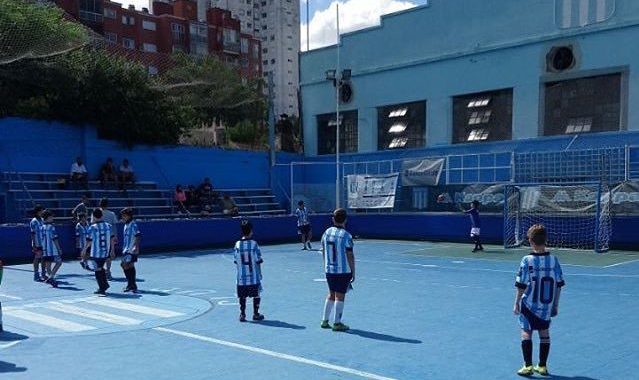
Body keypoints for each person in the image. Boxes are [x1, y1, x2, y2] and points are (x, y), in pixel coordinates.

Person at [513, 224, 565, 377]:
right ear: (546, 240)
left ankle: (527, 366)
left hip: (529, 304)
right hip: (546, 305)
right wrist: (555, 304)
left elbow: (521, 284)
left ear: (530, 241)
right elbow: (559, 285)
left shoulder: (527, 260)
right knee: (544, 334)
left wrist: (516, 302)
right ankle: (542, 366)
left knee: (526, 333)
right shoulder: (554, 260)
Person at [320, 208, 355, 332]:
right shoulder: (346, 236)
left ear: (333, 219)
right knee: (340, 296)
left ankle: (324, 320)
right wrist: (353, 271)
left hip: (329, 269)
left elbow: (323, 251)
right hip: (342, 270)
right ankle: (337, 322)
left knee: (331, 294)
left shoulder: (326, 233)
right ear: (345, 220)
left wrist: (325, 265)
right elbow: (350, 255)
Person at [233, 220, 264, 322]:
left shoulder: (237, 245)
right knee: (257, 294)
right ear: (251, 230)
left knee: (242, 296)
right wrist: (259, 273)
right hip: (253, 275)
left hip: (241, 276)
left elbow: (236, 261)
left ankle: (242, 314)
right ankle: (255, 313)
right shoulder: (254, 244)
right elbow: (258, 260)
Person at [82, 208, 116, 295]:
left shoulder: (92, 227)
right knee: (100, 267)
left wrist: (84, 250)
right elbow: (112, 239)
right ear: (102, 215)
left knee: (97, 269)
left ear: (93, 216)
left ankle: (102, 287)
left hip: (96, 252)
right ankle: (104, 285)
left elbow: (89, 241)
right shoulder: (108, 226)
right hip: (105, 251)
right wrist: (112, 250)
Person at [91, 198, 118, 280]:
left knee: (99, 255)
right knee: (108, 256)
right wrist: (115, 236)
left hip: (98, 237)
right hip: (108, 237)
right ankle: (108, 271)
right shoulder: (111, 214)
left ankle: (101, 270)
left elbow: (92, 223)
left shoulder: (95, 213)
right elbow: (114, 226)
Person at [120, 208, 141, 293]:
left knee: (125, 265)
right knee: (129, 266)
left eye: (124, 216)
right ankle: (132, 284)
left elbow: (138, 236)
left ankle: (131, 284)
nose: (122, 217)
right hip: (126, 249)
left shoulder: (133, 225)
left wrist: (135, 246)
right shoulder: (126, 225)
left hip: (131, 249)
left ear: (128, 216)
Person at [40, 210, 63, 288]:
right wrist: (59, 248)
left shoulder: (41, 227)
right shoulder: (51, 227)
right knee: (59, 262)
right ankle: (51, 277)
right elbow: (55, 239)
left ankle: (51, 278)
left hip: (44, 249)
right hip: (52, 249)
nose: (52, 218)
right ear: (48, 218)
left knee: (48, 266)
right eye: (51, 217)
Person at [29, 205, 46, 282]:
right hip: (37, 243)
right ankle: (36, 274)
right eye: (41, 210)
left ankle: (43, 273)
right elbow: (32, 233)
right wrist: (34, 244)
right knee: (37, 257)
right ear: (38, 211)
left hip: (44, 242)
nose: (43, 212)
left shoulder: (43, 220)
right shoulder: (33, 221)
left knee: (44, 258)